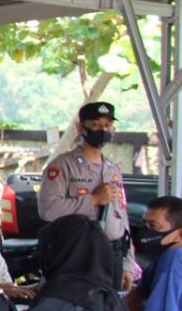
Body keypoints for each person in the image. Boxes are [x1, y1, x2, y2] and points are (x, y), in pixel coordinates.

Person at [38, 101, 134, 290]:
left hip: (112, 252)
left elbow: (122, 217)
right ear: (81, 127)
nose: (103, 130)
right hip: (78, 253)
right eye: (96, 124)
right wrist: (93, 200)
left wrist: (128, 263)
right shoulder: (63, 165)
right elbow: (48, 210)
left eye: (107, 125)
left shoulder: (112, 169)